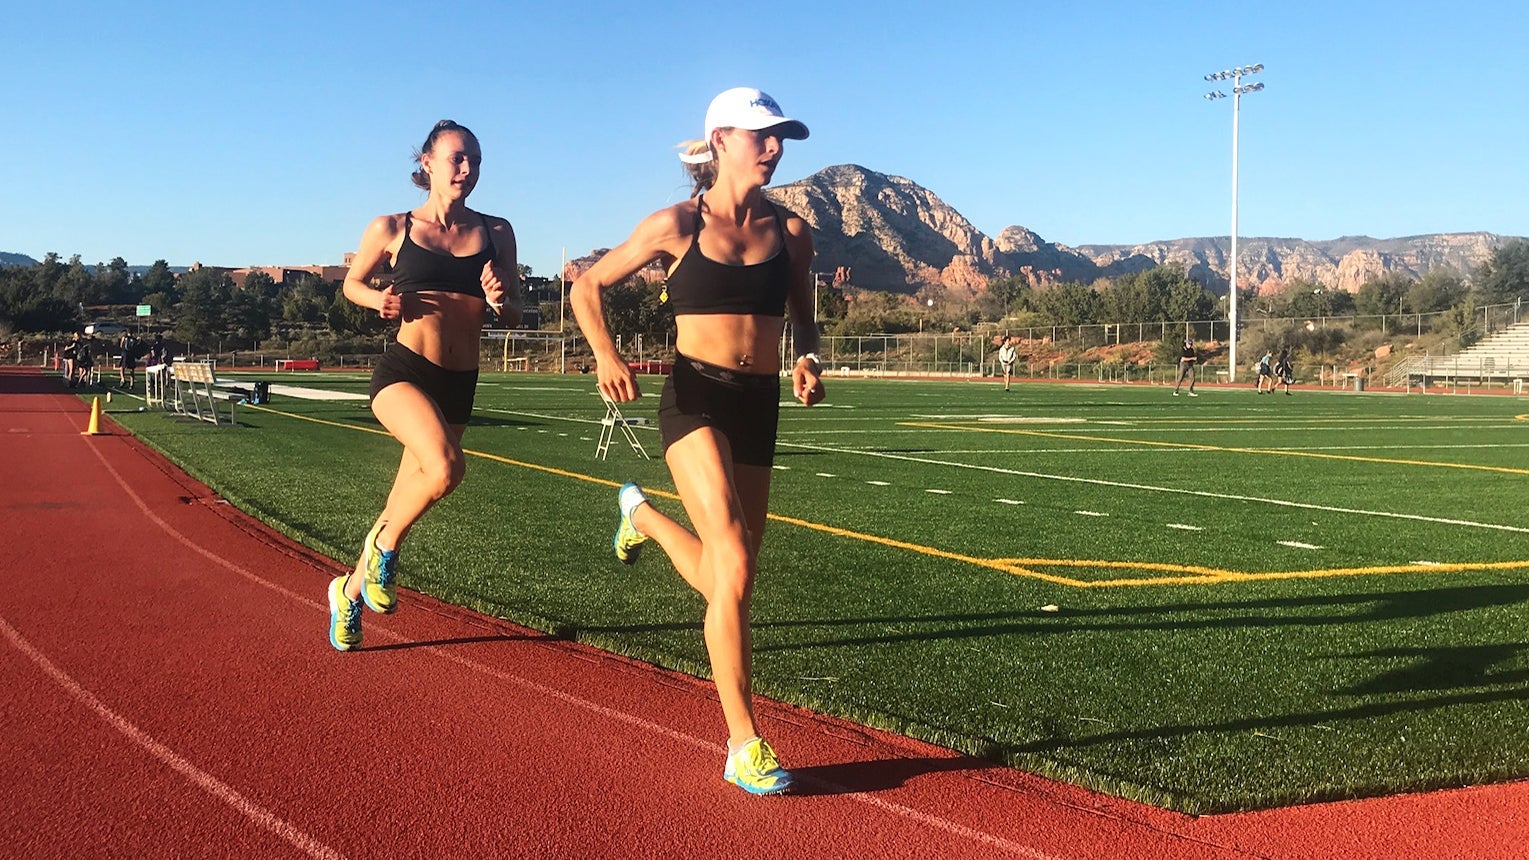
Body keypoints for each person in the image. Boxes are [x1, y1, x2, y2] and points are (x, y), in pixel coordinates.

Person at [570, 87, 819, 796]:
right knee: (733, 560)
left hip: (758, 405)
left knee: (727, 577)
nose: (774, 148)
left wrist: (807, 359)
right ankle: (743, 742)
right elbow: (587, 287)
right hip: (695, 397)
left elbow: (802, 320)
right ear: (719, 142)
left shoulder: (793, 234)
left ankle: (641, 517)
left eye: (781, 138)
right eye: (760, 136)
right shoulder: (675, 225)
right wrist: (606, 356)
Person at [327, 119, 520, 652]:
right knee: (445, 468)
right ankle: (384, 546)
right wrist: (379, 301)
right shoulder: (392, 227)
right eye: (457, 158)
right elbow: (351, 284)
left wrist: (501, 297)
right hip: (406, 374)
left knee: (407, 496)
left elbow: (514, 308)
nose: (467, 169)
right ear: (427, 163)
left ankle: (346, 591)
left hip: (460, 382)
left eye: (475, 161)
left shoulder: (497, 232)